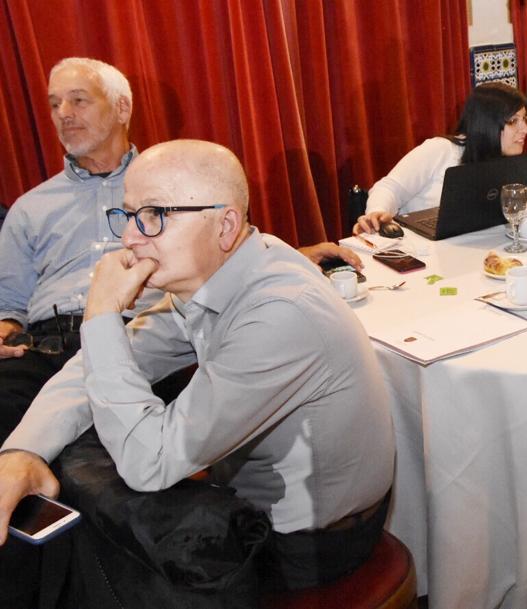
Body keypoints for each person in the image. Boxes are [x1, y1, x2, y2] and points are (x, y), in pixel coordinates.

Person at [0, 139, 396, 591]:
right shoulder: (223, 272)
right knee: (75, 472)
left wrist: (101, 314)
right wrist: (22, 451)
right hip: (257, 507)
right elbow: (95, 367)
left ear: (225, 225)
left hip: (309, 545)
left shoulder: (280, 313)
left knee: (85, 535)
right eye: (128, 215)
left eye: (153, 216)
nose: (129, 237)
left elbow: (148, 463)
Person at [354, 82, 527, 234]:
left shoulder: (506, 160)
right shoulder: (441, 149)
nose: (525, 129)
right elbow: (389, 188)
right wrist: (377, 212)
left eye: (525, 119)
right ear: (487, 123)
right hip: (421, 249)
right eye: (514, 121)